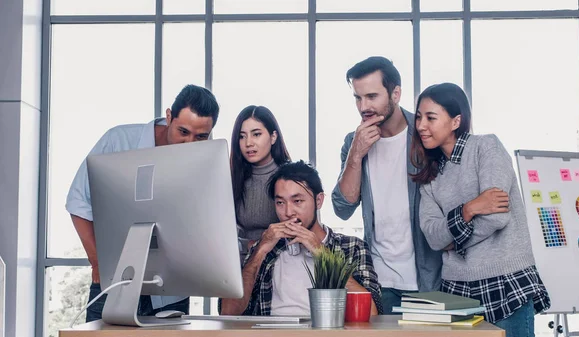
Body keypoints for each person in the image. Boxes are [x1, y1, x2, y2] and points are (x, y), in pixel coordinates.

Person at [65, 84, 220, 322]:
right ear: (169, 116)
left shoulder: (206, 160)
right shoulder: (118, 141)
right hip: (114, 281)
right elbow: (78, 202)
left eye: (200, 136)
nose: (190, 143)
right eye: (183, 132)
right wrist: (97, 262)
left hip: (171, 290)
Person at [412, 82, 550, 337]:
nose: (420, 125)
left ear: (455, 121)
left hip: (505, 281)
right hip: (456, 290)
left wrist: (452, 241)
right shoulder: (429, 176)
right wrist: (469, 208)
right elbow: (432, 237)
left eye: (431, 117)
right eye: (419, 116)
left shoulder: (486, 148)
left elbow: (496, 217)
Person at [331, 56, 442, 314]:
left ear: (396, 93)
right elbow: (342, 208)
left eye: (372, 96)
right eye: (358, 98)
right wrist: (356, 154)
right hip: (380, 281)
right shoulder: (354, 142)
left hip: (429, 280)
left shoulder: (425, 135)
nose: (363, 106)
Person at [221, 160, 383, 316]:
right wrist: (260, 250)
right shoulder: (264, 249)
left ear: (318, 201)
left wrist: (322, 253)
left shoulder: (352, 247)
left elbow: (372, 313)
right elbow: (228, 313)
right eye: (280, 203)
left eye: (297, 201)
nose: (288, 212)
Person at [230, 105, 291, 262]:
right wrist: (247, 245)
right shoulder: (232, 177)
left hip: (282, 261)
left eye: (256, 134)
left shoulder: (290, 178)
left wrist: (262, 244)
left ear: (273, 137)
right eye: (242, 136)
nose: (248, 143)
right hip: (239, 262)